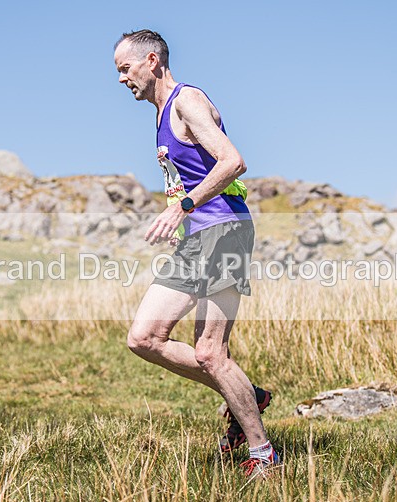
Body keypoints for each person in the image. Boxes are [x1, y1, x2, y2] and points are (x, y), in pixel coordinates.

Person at [113, 29, 280, 478]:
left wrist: (182, 206)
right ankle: (249, 393)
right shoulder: (161, 113)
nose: (122, 79)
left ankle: (262, 454)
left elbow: (233, 162)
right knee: (143, 338)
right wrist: (183, 215)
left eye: (125, 69)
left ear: (151, 60)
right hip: (199, 238)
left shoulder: (187, 100)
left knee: (211, 354)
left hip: (225, 232)